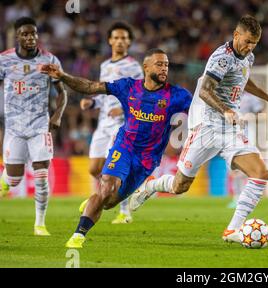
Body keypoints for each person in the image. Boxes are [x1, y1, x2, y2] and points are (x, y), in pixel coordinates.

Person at [128, 15, 268, 243]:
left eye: (255, 43)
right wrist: (226, 110)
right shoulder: (221, 58)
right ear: (236, 35)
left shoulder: (248, 57)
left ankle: (232, 230)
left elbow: (243, 80)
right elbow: (204, 90)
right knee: (180, 185)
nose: (250, 46)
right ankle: (152, 185)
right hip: (206, 125)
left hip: (229, 128)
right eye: (247, 41)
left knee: (261, 174)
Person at [41, 48, 192, 248]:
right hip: (124, 147)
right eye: (159, 64)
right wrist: (63, 76)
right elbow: (90, 86)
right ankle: (79, 235)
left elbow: (200, 110)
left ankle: (95, 202)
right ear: (145, 67)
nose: (164, 68)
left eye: (166, 64)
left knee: (110, 202)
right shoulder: (128, 87)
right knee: (107, 188)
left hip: (147, 160)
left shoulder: (178, 95)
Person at [0, 17, 67, 236]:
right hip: (13, 128)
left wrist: (57, 115)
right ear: (17, 36)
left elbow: (63, 93)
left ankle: (40, 224)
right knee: (14, 178)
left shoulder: (49, 60)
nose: (30, 37)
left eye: (33, 34)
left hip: (40, 126)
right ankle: (5, 182)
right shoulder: (5, 60)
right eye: (25, 34)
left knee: (40, 175)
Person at [79, 22, 143, 224]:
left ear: (130, 42)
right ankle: (104, 197)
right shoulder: (105, 66)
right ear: (109, 41)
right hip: (103, 122)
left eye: (124, 38)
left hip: (121, 124)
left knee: (111, 167)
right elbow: (103, 93)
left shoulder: (133, 66)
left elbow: (141, 96)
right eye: (116, 37)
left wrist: (124, 109)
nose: (120, 41)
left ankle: (124, 212)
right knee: (93, 168)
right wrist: (92, 101)